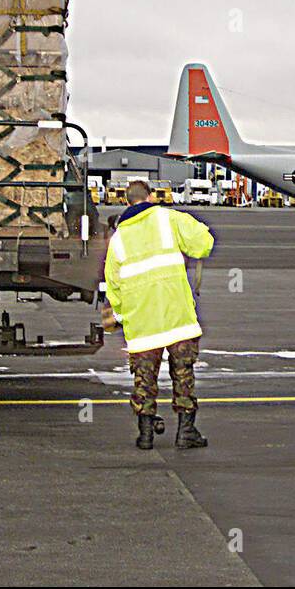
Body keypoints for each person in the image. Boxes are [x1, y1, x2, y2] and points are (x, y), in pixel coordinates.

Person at [103, 179, 214, 450]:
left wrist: (120, 315)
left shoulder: (118, 239)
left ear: (126, 202)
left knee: (144, 377)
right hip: (177, 317)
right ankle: (186, 432)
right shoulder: (169, 219)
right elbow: (204, 244)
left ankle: (145, 435)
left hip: (142, 324)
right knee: (183, 373)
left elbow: (112, 283)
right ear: (151, 196)